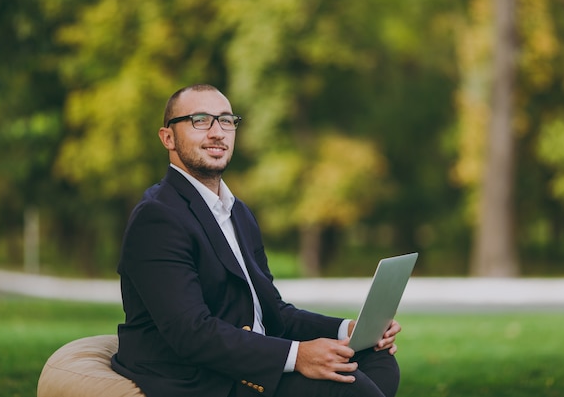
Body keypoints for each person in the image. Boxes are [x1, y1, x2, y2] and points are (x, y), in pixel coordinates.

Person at [111, 84, 402, 397]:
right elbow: (191, 333)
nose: (216, 132)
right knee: (350, 388)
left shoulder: (238, 213)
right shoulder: (158, 217)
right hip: (198, 375)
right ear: (168, 137)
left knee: (377, 361)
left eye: (225, 121)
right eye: (200, 120)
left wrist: (347, 329)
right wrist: (297, 356)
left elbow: (272, 311)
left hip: (248, 360)